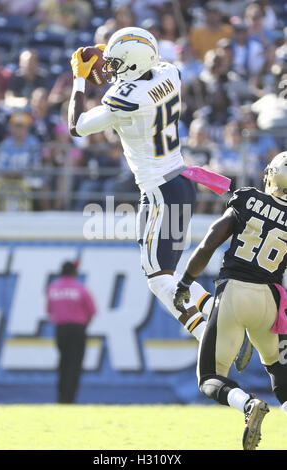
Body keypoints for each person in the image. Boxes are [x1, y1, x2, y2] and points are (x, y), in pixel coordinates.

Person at [68, 26, 252, 367]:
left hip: (158, 190)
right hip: (182, 181)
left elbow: (76, 125)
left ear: (133, 65)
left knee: (157, 279)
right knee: (169, 272)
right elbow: (139, 69)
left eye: (116, 62)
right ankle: (216, 315)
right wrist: (110, 55)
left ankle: (208, 334)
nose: (109, 67)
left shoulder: (124, 98)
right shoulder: (170, 73)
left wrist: (79, 78)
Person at [173, 152, 287, 450]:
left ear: (271, 175)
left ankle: (247, 404)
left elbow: (211, 241)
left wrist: (185, 281)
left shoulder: (248, 199)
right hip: (272, 300)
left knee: (210, 377)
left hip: (235, 292)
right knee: (278, 369)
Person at [46, 261, 96, 404]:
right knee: (75, 365)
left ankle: (61, 398)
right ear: (74, 272)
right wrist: (83, 325)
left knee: (63, 363)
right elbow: (92, 311)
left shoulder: (53, 288)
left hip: (61, 329)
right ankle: (70, 399)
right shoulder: (80, 289)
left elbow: (50, 311)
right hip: (78, 329)